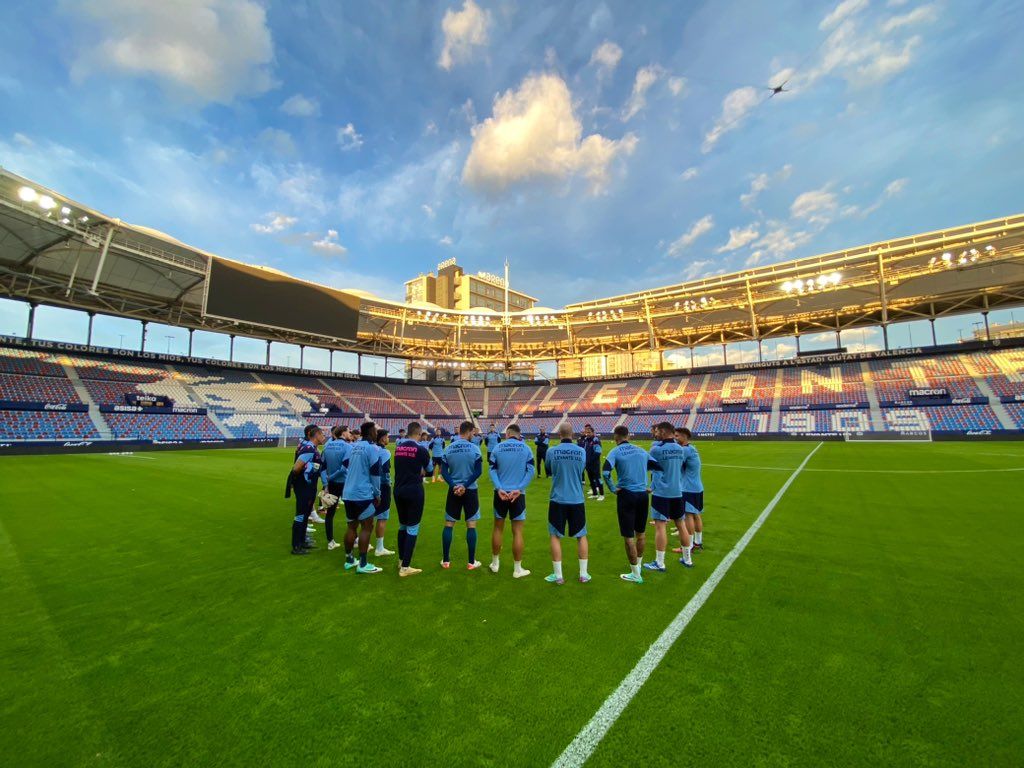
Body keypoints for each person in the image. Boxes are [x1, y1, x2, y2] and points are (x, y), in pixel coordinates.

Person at [603, 425, 661, 584]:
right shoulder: (641, 451)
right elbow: (658, 468)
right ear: (628, 436)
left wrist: (613, 489)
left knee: (628, 537)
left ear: (616, 438)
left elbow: (605, 472)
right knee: (640, 533)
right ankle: (639, 566)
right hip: (643, 495)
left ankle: (635, 573)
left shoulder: (615, 452)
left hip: (626, 495)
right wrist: (652, 486)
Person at [544, 423, 590, 584]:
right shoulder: (581, 451)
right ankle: (583, 574)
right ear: (573, 434)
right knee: (581, 535)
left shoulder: (551, 451)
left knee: (555, 536)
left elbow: (549, 469)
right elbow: (581, 469)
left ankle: (558, 576)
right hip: (576, 498)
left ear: (559, 435)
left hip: (558, 498)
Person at [487, 424, 536, 578]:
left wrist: (499, 487)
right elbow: (531, 471)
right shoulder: (526, 448)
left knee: (497, 529)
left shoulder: (497, 448)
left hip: (500, 493)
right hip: (518, 494)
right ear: (519, 435)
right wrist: (519, 488)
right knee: (517, 531)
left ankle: (495, 564)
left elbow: (492, 470)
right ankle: (517, 569)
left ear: (507, 434)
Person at [645, 422, 694, 571]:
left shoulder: (656, 449)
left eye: (658, 431)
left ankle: (660, 562)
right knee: (681, 525)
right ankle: (687, 559)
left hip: (662, 493)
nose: (656, 433)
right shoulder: (681, 449)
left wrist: (652, 487)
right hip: (677, 492)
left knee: (660, 527)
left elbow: (653, 471)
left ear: (663, 432)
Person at [340, 421, 384, 574]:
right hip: (362, 493)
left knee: (351, 526)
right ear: (371, 432)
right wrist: (377, 494)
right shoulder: (372, 449)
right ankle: (363, 564)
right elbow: (375, 474)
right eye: (375, 431)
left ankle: (349, 559)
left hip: (348, 492)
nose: (376, 433)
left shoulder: (353, 446)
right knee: (367, 527)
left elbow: (344, 464)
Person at [439, 420, 484, 570]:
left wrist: (454, 486)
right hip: (470, 490)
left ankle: (446, 561)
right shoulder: (475, 449)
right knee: (471, 525)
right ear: (470, 431)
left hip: (453, 491)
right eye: (474, 432)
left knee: (449, 524)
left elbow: (444, 472)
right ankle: (471, 562)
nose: (474, 435)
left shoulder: (449, 449)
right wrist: (464, 486)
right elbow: (478, 471)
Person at [393, 421, 433, 576]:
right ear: (418, 433)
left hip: (398, 489)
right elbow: (429, 471)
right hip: (414, 491)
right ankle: (405, 567)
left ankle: (401, 560)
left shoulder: (398, 448)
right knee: (412, 527)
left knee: (402, 525)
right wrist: (421, 472)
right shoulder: (421, 449)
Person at [285, 424, 327, 555]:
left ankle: (302, 541)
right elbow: (296, 468)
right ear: (317, 435)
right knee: (300, 515)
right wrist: (299, 482)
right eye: (322, 434)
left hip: (309, 487)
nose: (324, 437)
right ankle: (296, 545)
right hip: (304, 487)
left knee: (304, 515)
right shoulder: (309, 448)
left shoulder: (313, 448)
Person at [675, 427, 705, 557]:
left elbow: (674, 464)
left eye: (677, 436)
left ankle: (690, 545)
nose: (675, 438)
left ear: (684, 436)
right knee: (696, 515)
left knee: (688, 516)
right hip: (697, 487)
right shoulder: (692, 448)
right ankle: (698, 542)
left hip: (688, 488)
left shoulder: (684, 450)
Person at [321, 425, 351, 551]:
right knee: (351, 513)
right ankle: (353, 539)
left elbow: (322, 467)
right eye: (348, 432)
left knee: (330, 513)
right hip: (344, 483)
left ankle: (330, 541)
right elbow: (344, 468)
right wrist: (332, 477)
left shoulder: (327, 446)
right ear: (343, 433)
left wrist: (326, 483)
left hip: (331, 485)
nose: (350, 434)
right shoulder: (348, 447)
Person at [373, 430, 395, 557]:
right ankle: (379, 548)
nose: (388, 439)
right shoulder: (385, 452)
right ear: (382, 439)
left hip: (370, 485)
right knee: (382, 517)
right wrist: (388, 483)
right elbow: (385, 472)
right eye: (387, 436)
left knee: (368, 516)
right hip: (382, 486)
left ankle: (359, 541)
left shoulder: (371, 449)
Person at [582, 424, 604, 500]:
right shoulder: (585, 440)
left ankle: (601, 495)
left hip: (595, 464)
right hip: (588, 464)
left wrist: (590, 461)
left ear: (593, 432)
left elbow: (598, 452)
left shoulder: (596, 440)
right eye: (586, 432)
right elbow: (585, 451)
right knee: (591, 479)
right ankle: (594, 494)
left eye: (589, 432)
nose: (587, 434)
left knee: (598, 479)